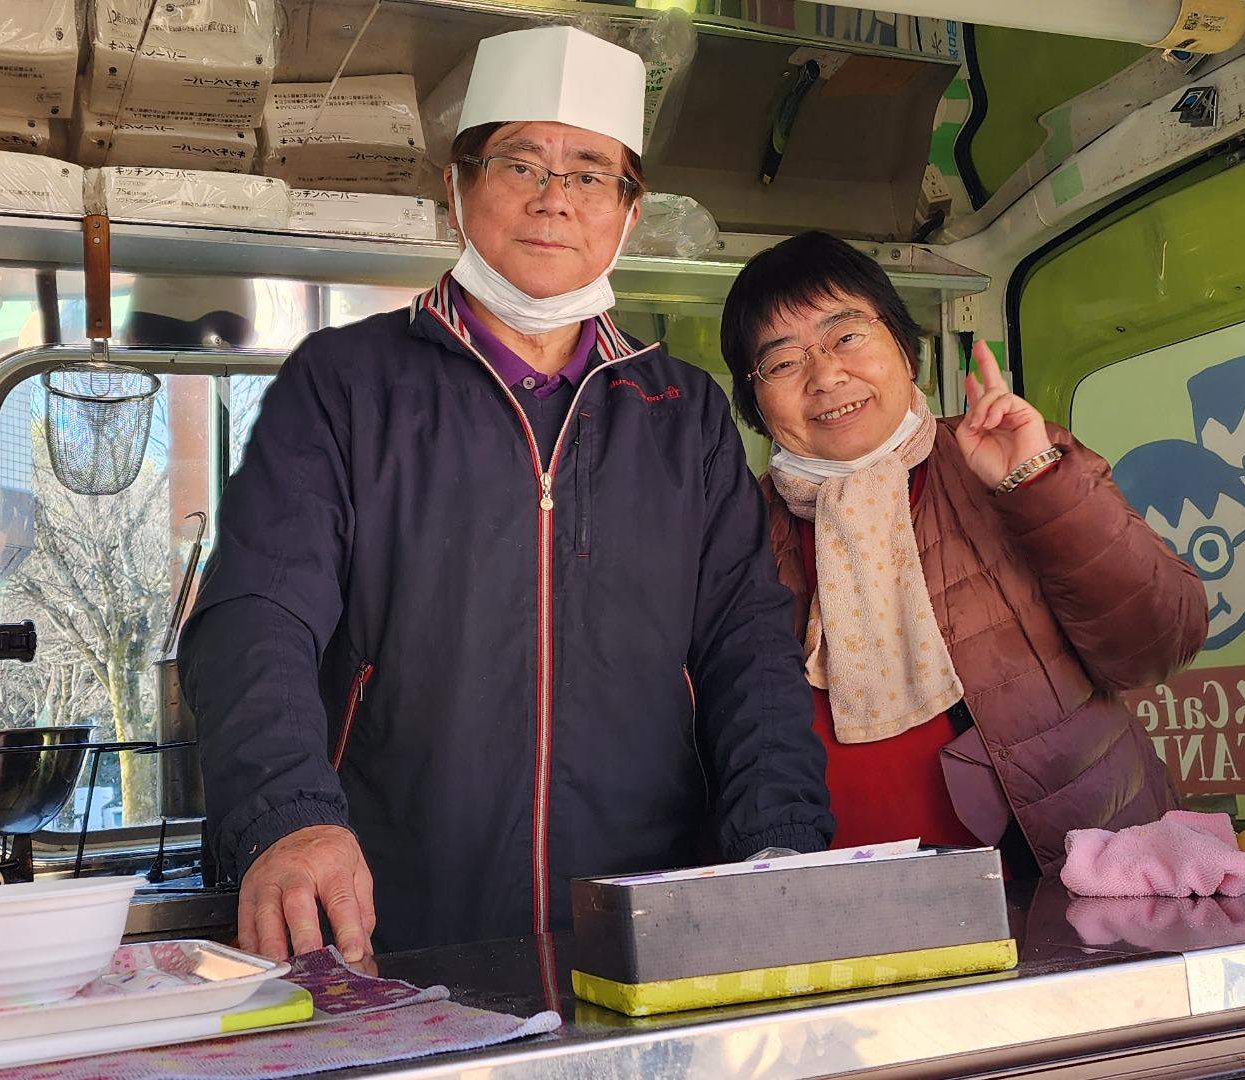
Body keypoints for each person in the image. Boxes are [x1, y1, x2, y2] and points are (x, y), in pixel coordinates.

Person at [180, 27, 833, 962]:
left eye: (591, 173)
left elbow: (747, 651)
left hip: (645, 922)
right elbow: (257, 612)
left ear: (629, 211)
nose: (553, 199)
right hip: (389, 922)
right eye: (519, 160)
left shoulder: (681, 412)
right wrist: (286, 816)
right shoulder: (347, 383)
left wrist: (782, 845)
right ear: (458, 188)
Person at [718, 231, 1205, 876]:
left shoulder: (1005, 458)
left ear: (901, 344)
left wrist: (1039, 487)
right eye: (782, 362)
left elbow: (1158, 644)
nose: (826, 375)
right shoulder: (736, 526)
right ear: (754, 402)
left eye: (848, 335)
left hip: (1056, 884)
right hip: (831, 912)